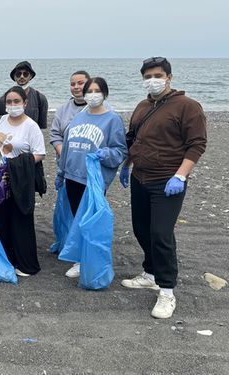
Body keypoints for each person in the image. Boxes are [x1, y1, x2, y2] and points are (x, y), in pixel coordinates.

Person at [119, 57, 207, 319]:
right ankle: (150, 272)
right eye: (148, 76)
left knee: (161, 233)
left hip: (167, 181)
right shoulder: (143, 106)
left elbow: (197, 144)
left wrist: (180, 176)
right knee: (141, 228)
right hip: (141, 177)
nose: (152, 80)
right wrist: (126, 164)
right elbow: (133, 138)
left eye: (157, 75)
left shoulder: (187, 106)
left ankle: (167, 290)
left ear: (169, 76)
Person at [55, 77, 127, 279]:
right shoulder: (78, 116)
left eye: (97, 90)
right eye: (89, 91)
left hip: (93, 181)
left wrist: (106, 154)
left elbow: (120, 151)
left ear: (105, 94)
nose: (92, 94)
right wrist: (61, 173)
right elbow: (67, 147)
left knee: (89, 220)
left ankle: (89, 259)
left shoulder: (112, 119)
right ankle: (80, 258)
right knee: (76, 219)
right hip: (72, 177)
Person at [0, 87, 46, 277]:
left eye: (16, 101)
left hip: (21, 178)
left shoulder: (30, 126)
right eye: (9, 102)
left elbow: (40, 153)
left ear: (25, 103)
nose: (12, 105)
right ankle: (7, 258)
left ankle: (26, 264)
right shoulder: (0, 120)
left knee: (20, 219)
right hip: (0, 178)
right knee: (3, 219)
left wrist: (16, 164)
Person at [49, 70, 91, 157]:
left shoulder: (102, 108)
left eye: (80, 83)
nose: (76, 87)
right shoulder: (62, 109)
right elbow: (55, 135)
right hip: (67, 161)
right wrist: (64, 155)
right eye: (72, 84)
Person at [8, 61, 48, 129]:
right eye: (18, 74)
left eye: (25, 74)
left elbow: (42, 127)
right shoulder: (4, 99)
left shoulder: (40, 99)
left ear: (30, 76)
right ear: (14, 77)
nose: (22, 77)